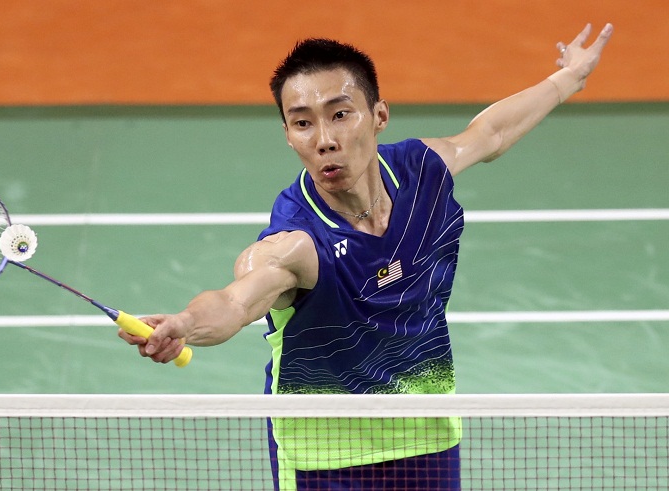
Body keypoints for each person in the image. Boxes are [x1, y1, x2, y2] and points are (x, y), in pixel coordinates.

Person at [119, 23, 614, 490]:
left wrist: (569, 77)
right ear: (288, 136)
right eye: (302, 123)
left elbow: (491, 135)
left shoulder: (421, 173)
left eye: (340, 113)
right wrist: (184, 323)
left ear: (378, 116)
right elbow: (235, 302)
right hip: (323, 451)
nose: (325, 139)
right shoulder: (296, 244)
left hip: (425, 431)